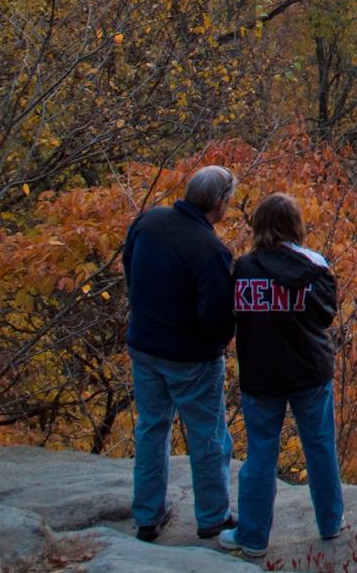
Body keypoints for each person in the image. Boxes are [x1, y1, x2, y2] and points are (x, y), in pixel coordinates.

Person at [218, 193, 344, 558]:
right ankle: (330, 523)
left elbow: (233, 316)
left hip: (261, 374)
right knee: (320, 447)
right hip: (309, 371)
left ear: (258, 225)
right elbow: (325, 316)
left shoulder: (243, 268)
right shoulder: (314, 265)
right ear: (296, 225)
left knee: (260, 455)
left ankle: (253, 537)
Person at [121, 165, 238, 542]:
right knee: (207, 437)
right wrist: (218, 344)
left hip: (144, 345)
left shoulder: (148, 222)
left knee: (151, 430)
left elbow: (130, 269)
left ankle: (146, 517)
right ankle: (212, 517)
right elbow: (217, 315)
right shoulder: (211, 251)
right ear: (220, 203)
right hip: (192, 358)